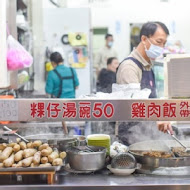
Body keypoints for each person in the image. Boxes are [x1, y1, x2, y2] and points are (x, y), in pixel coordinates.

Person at [116, 22, 173, 145]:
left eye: (164, 43)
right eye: (159, 42)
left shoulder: (147, 65)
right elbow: (134, 107)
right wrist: (157, 117)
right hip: (131, 138)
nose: (161, 47)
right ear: (144, 39)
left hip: (146, 134)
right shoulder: (129, 67)